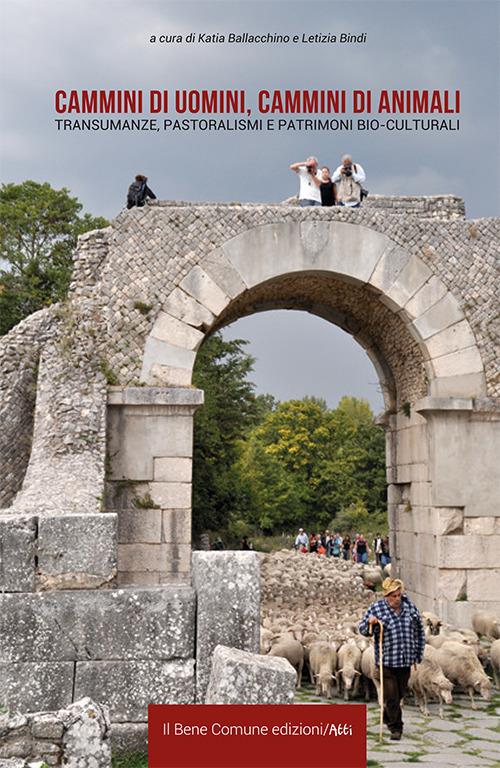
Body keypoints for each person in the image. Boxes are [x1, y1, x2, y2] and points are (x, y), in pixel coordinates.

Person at [359, 578, 425, 741]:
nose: (397, 599)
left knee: (400, 693)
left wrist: (418, 653)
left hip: (405, 659)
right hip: (386, 660)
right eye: (393, 596)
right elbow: (363, 630)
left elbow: (419, 631)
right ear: (387, 596)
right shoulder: (376, 608)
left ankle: (387, 714)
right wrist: (371, 623)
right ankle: (396, 728)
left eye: (399, 595)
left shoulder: (410, 607)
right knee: (391, 696)